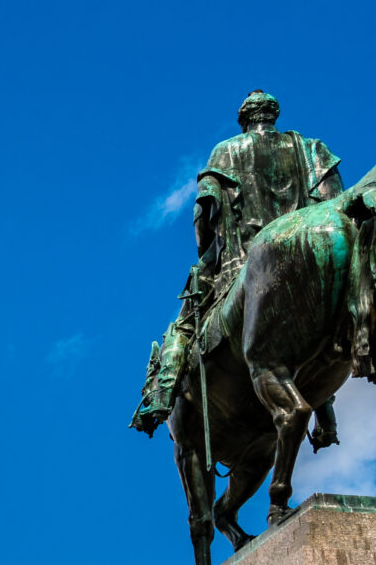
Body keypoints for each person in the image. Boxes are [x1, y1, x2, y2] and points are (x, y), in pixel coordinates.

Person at [134, 89, 344, 435]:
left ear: (244, 119)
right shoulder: (310, 149)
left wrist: (209, 257)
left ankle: (161, 395)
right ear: (273, 115)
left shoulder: (226, 151)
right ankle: (326, 414)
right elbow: (332, 201)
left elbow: (205, 212)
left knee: (182, 327)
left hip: (240, 262)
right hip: (311, 254)